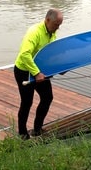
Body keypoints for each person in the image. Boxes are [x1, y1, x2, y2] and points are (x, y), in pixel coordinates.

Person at [13, 8, 63, 139]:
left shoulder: (52, 33)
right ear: (47, 20)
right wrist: (36, 73)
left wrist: (60, 67)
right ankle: (22, 134)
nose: (57, 28)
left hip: (40, 70)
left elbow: (51, 54)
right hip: (24, 71)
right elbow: (24, 54)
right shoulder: (34, 32)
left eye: (59, 25)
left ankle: (37, 129)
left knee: (47, 97)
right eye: (56, 24)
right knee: (27, 102)